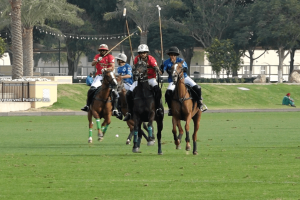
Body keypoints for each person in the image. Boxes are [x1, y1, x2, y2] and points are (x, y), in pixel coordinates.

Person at [162, 46, 207, 116]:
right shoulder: (166, 62)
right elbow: (161, 72)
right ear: (169, 55)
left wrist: (178, 67)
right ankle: (170, 108)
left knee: (198, 88)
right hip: (173, 80)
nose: (173, 56)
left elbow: (185, 68)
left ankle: (199, 102)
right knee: (167, 93)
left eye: (174, 55)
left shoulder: (181, 60)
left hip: (184, 78)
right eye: (171, 55)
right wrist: (161, 68)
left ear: (176, 55)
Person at [123, 44, 163, 121]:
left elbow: (155, 66)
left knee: (157, 89)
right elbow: (134, 69)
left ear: (147, 52)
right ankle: (130, 112)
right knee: (128, 93)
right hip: (140, 80)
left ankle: (158, 108)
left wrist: (157, 70)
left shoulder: (151, 59)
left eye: (144, 52)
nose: (142, 54)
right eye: (141, 53)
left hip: (150, 78)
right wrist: (134, 71)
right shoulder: (136, 59)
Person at [81, 44, 120, 118]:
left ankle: (115, 109)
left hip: (109, 75)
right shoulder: (97, 56)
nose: (102, 51)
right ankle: (87, 105)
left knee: (114, 91)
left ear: (107, 51)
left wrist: (106, 69)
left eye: (104, 50)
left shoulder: (110, 57)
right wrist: (97, 61)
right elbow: (92, 64)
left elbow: (112, 67)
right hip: (99, 76)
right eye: (101, 50)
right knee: (91, 89)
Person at [115, 53, 133, 119]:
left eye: (118, 59)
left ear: (121, 60)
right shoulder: (119, 68)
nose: (117, 61)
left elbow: (129, 75)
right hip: (121, 84)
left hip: (128, 83)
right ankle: (119, 111)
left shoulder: (127, 66)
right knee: (116, 93)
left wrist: (121, 77)